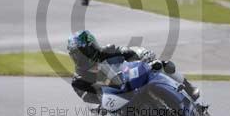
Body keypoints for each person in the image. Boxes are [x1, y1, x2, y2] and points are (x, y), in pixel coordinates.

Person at [67, 30, 200, 105]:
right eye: (77, 54)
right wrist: (100, 102)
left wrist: (144, 54)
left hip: (131, 80)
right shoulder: (78, 79)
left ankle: (188, 87)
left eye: (85, 51)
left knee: (163, 65)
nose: (82, 56)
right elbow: (87, 97)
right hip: (114, 100)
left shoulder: (108, 50)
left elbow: (130, 51)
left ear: (93, 46)